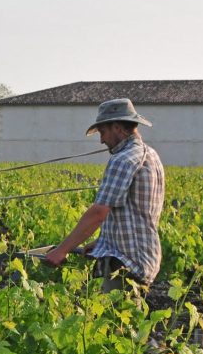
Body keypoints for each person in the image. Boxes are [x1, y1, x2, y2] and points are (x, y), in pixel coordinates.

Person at [46, 98, 165, 292]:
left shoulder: (123, 159)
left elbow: (99, 212)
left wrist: (61, 250)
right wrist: (102, 242)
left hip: (126, 263)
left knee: (114, 320)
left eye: (103, 132)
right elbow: (133, 213)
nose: (101, 140)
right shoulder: (151, 155)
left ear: (117, 128)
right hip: (142, 256)